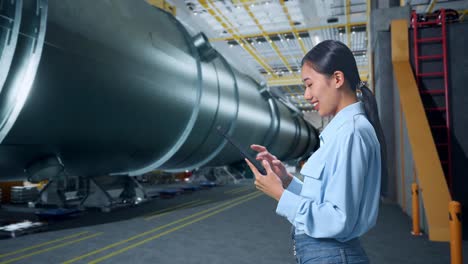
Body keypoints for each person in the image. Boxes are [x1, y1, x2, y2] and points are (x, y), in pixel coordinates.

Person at [245, 40, 386, 264]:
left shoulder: (351, 132)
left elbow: (338, 219)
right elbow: (325, 201)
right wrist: (286, 180)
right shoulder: (342, 131)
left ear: (337, 79)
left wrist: (279, 194)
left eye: (309, 84)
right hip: (327, 254)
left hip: (331, 254)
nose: (307, 95)